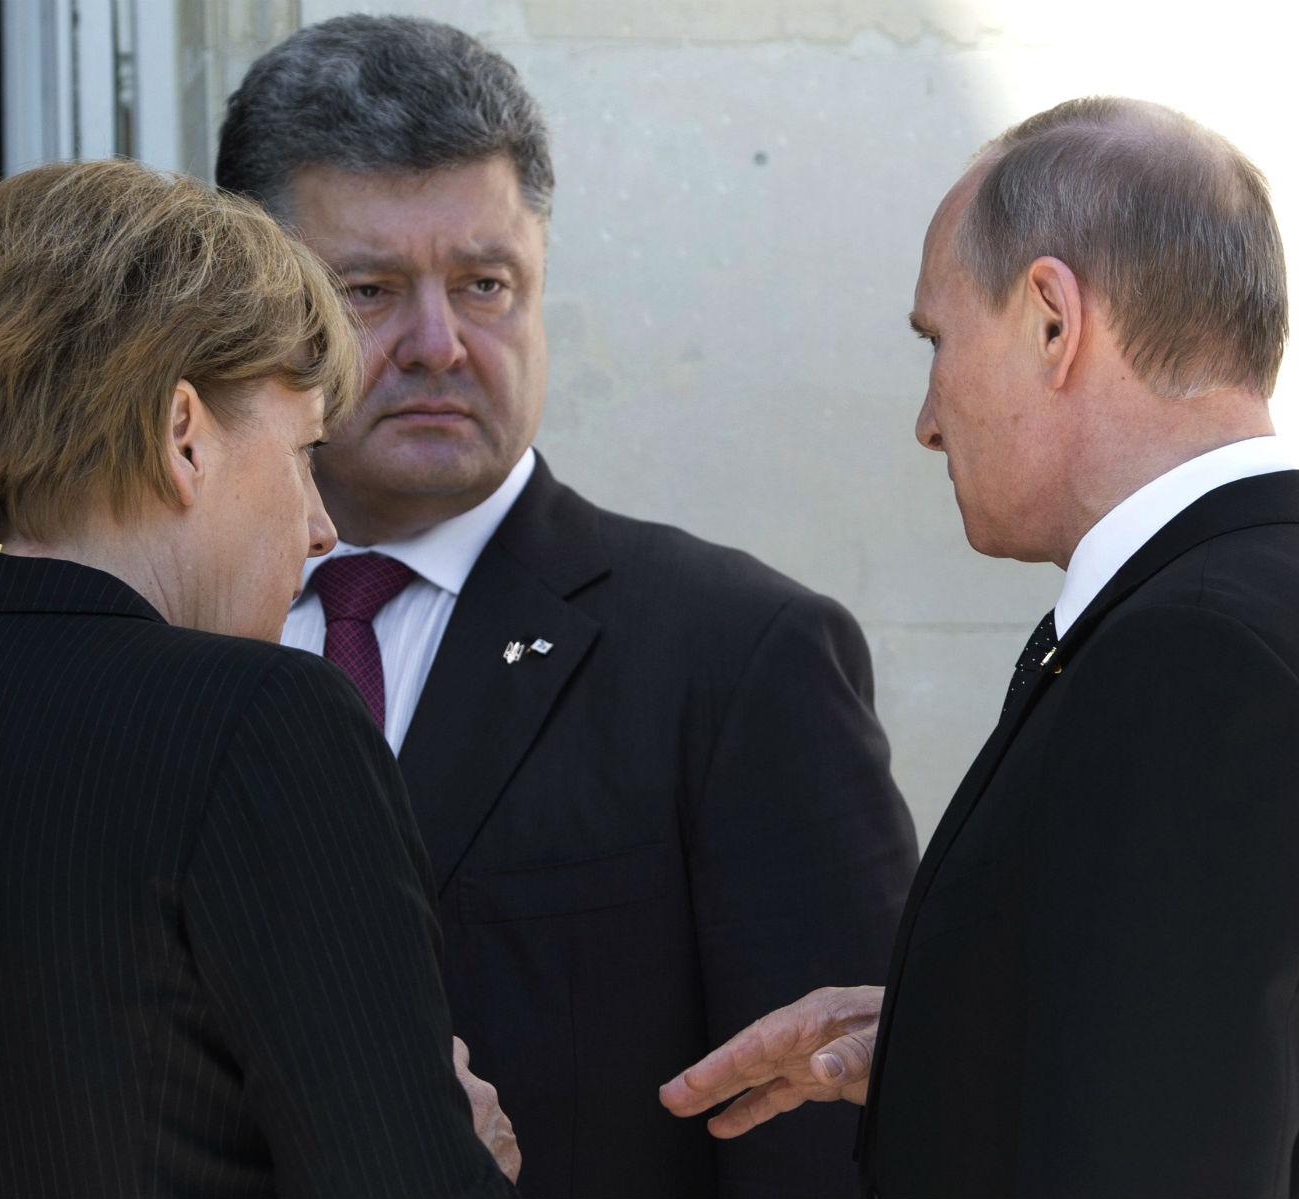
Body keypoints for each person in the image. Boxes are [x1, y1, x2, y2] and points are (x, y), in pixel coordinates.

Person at [216, 15, 918, 1198]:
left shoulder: (735, 659)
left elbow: (831, 1145)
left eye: (484, 284)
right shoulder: (154, 642)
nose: (439, 343)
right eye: (370, 290)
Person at [0, 159, 519, 1198]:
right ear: (183, 435)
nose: (320, 526)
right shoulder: (263, 719)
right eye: (303, 451)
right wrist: (466, 1154)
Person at [661, 97, 1299, 1197]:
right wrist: (953, 1031)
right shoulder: (1233, 607)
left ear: (1052, 320)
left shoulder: (1188, 654)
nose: (925, 417)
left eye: (936, 340)